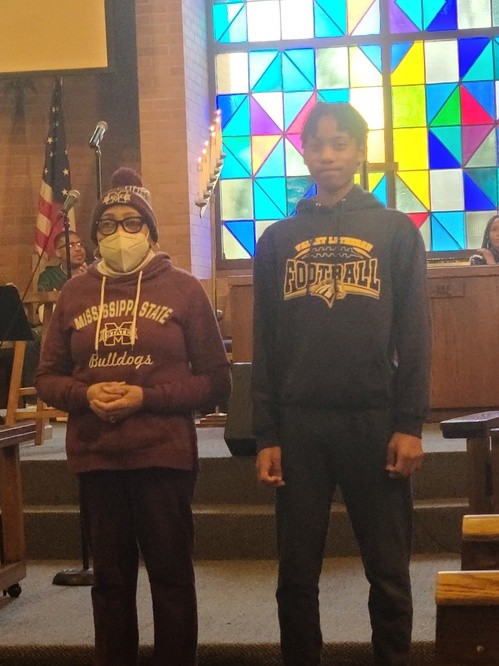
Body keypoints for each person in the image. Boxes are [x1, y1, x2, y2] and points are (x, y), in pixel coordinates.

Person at [251, 102, 430, 666]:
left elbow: (415, 334)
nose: (327, 154)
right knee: (295, 576)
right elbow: (265, 344)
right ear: (304, 152)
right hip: (299, 424)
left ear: (359, 150)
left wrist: (410, 424)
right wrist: (266, 434)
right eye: (317, 144)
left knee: (388, 571)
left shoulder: (395, 231)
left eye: (340, 143)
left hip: (374, 421)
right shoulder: (278, 240)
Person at [35, 167, 231, 665]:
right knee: (110, 584)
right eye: (108, 224)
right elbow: (47, 377)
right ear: (95, 233)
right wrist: (85, 394)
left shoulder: (184, 289)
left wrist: (146, 397)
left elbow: (216, 381)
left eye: (131, 222)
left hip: (162, 455)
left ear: (150, 230)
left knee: (171, 579)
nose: (119, 232)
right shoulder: (75, 293)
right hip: (98, 457)